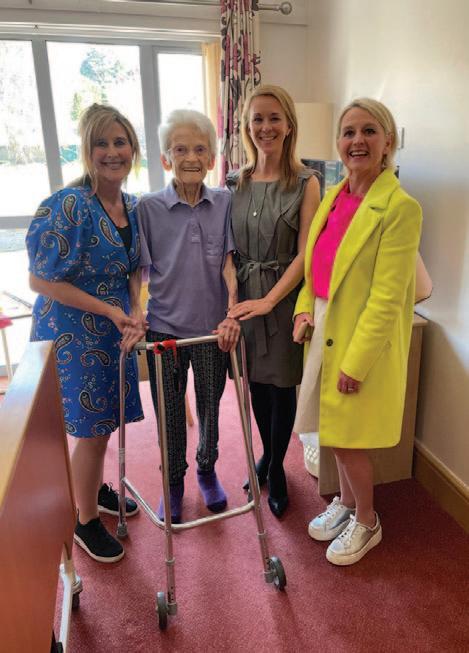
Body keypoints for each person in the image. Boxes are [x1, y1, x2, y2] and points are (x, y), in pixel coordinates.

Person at [292, 98, 422, 565]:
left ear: (388, 142)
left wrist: (356, 363)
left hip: (359, 338)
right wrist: (302, 311)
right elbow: (315, 267)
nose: (357, 141)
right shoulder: (334, 195)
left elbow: (387, 299)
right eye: (348, 132)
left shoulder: (400, 208)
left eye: (369, 131)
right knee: (332, 430)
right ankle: (346, 504)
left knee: (348, 440)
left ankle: (367, 520)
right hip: (324, 325)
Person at [26, 104, 146, 563]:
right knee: (92, 431)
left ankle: (92, 490)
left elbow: (134, 269)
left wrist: (135, 308)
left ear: (133, 148)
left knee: (106, 421)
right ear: (87, 150)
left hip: (114, 330)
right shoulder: (69, 205)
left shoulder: (132, 206)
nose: (113, 152)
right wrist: (110, 311)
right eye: (102, 143)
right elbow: (40, 280)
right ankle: (85, 520)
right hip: (74, 333)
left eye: (120, 142)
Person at [136, 109, 240, 524]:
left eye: (200, 149)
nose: (191, 157)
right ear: (166, 158)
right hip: (165, 330)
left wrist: (232, 312)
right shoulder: (148, 208)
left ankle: (206, 469)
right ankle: (174, 480)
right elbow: (138, 271)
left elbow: (229, 263)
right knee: (170, 413)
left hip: (212, 331)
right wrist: (134, 313)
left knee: (211, 408)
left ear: (212, 157)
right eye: (180, 149)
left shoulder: (225, 202)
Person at [226, 85, 321, 518]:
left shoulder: (306, 182)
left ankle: (278, 467)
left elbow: (306, 254)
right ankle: (266, 454)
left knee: (282, 387)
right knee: (256, 385)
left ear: (288, 125)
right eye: (257, 119)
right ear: (247, 127)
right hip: (245, 299)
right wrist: (235, 298)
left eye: (274, 118)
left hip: (282, 299)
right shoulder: (235, 182)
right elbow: (225, 249)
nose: (265, 127)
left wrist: (269, 300)